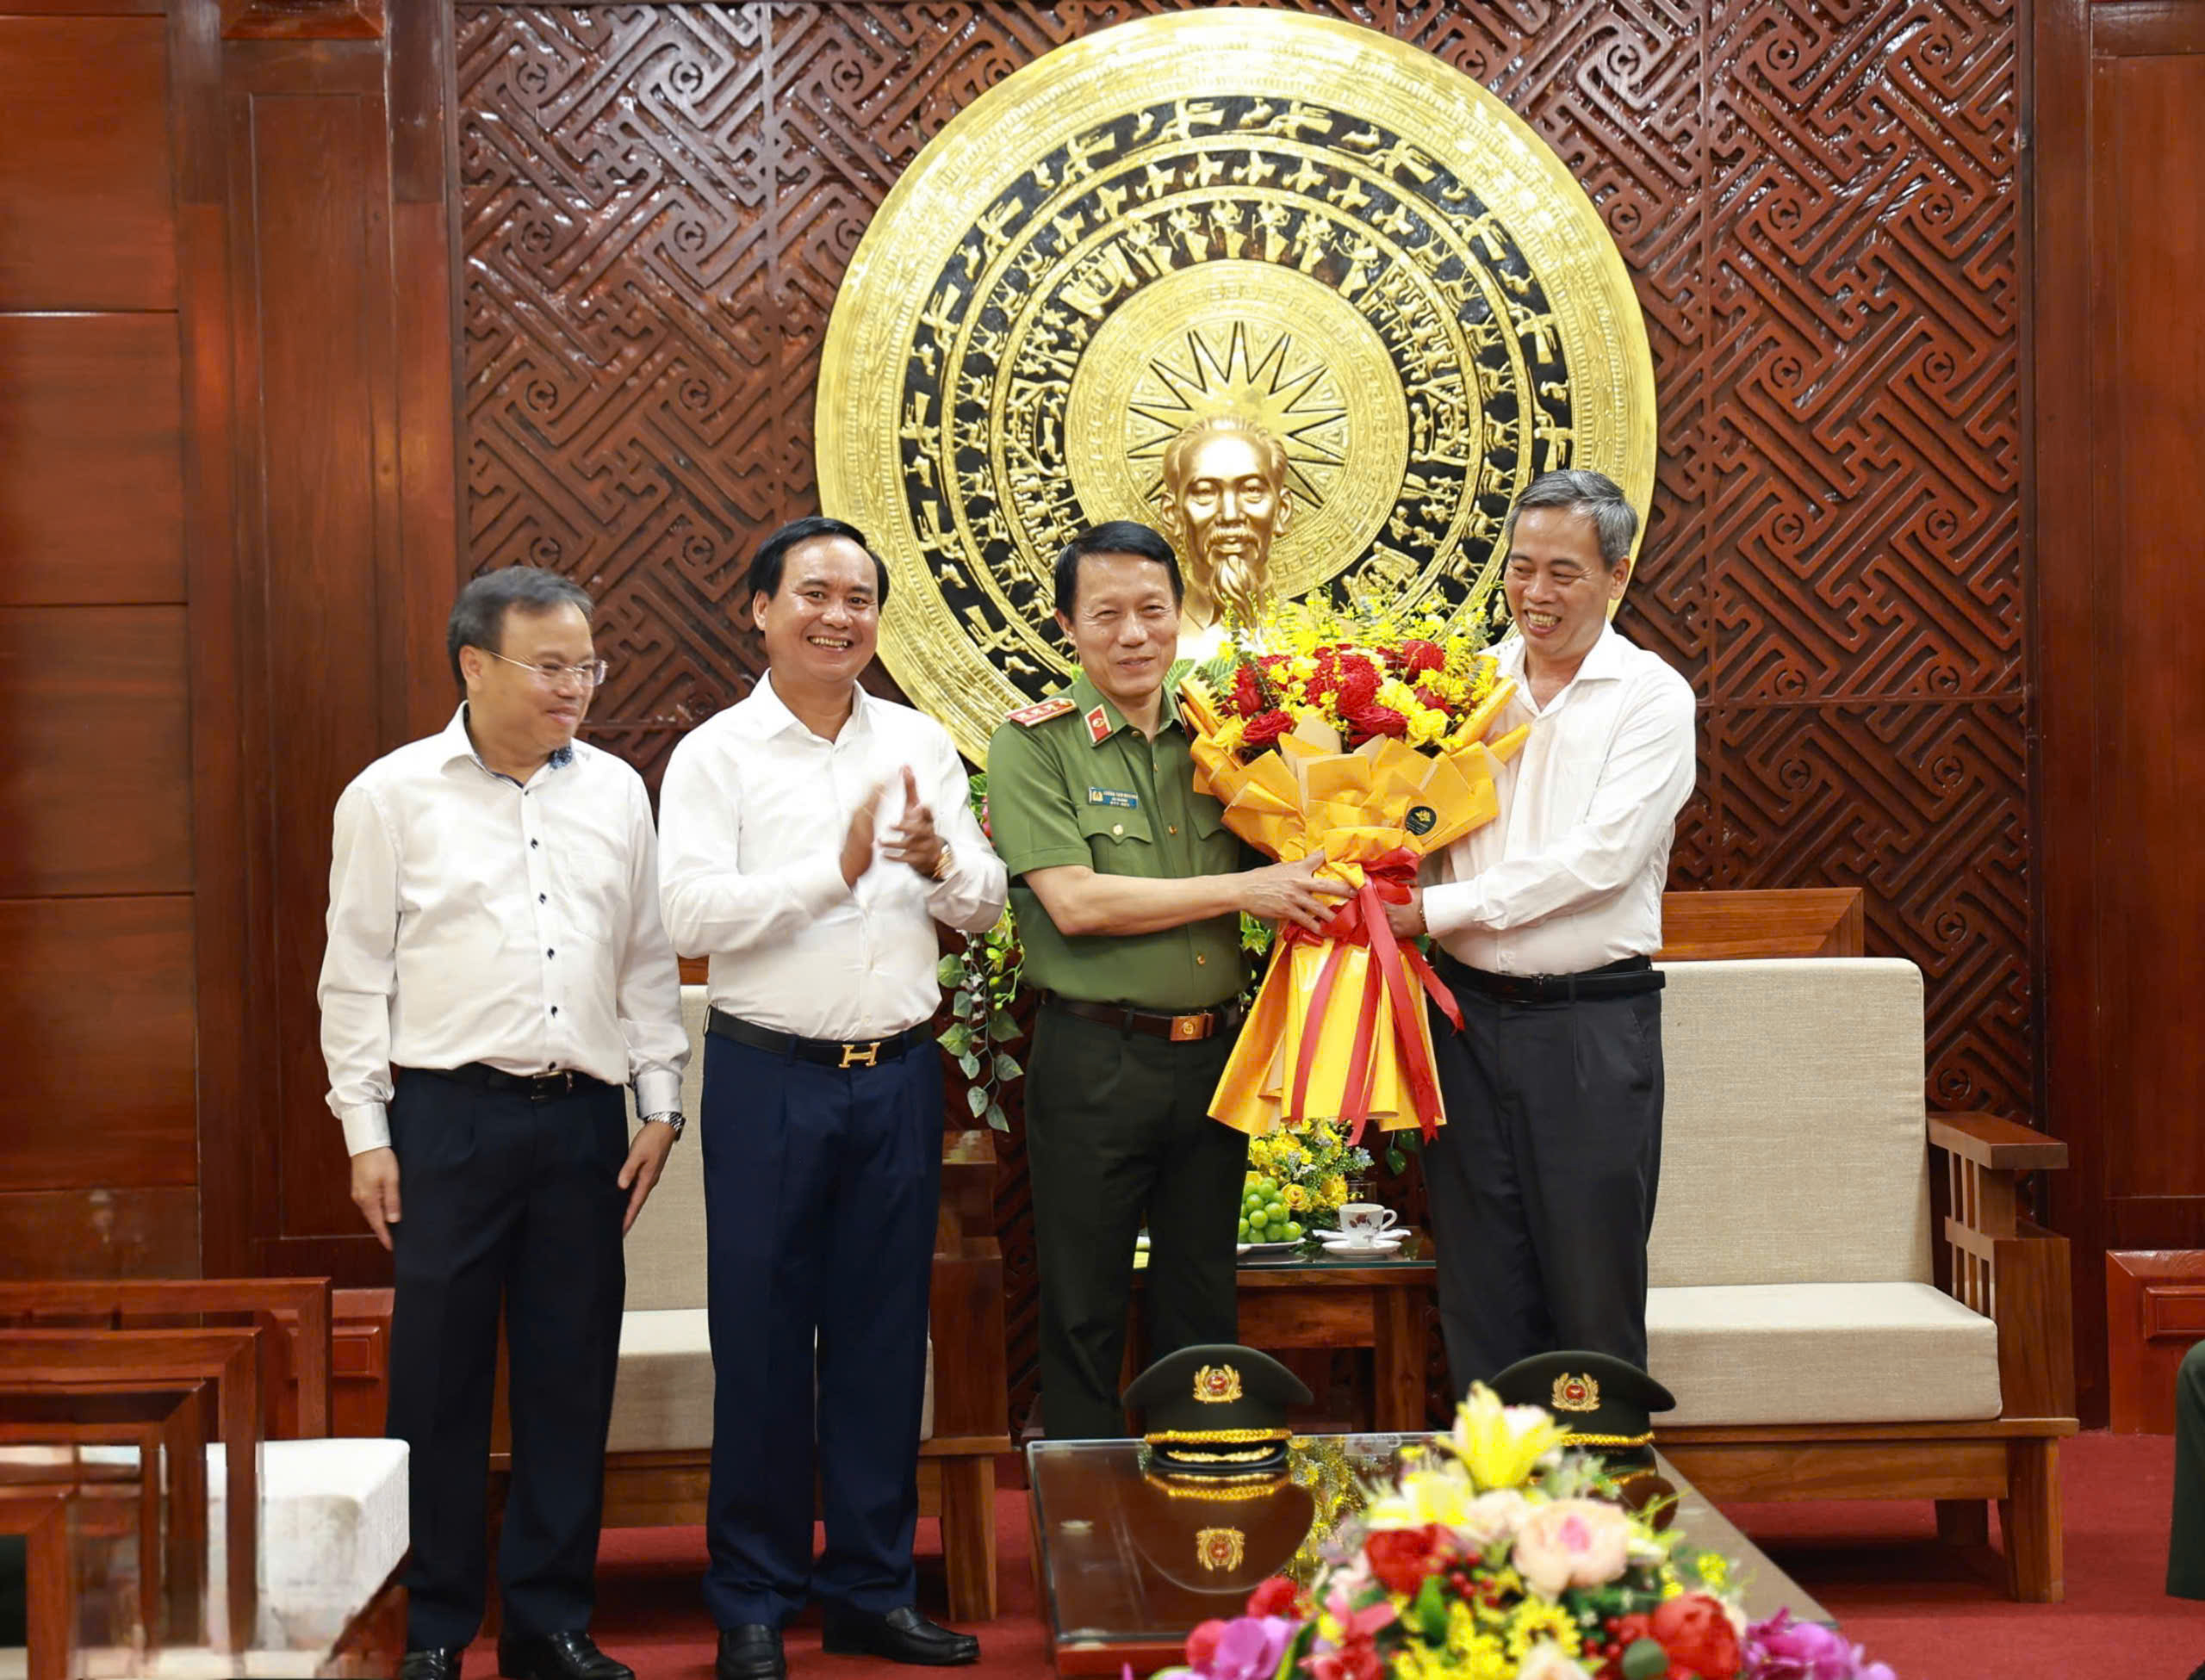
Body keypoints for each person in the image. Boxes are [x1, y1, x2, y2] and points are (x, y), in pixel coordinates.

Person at [318, 567, 689, 1680]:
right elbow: (353, 979)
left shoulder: (619, 789)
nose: (576, 687)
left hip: (583, 1121)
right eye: (552, 665)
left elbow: (646, 959)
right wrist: (366, 1133)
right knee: (436, 1380)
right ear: (475, 663)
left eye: (588, 665)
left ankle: (549, 1623)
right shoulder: (389, 794)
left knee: (570, 1375)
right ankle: (431, 1627)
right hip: (448, 1119)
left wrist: (661, 1101)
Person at [657, 517, 1005, 1680]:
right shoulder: (716, 755)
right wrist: (835, 872)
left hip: (899, 1076)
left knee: (874, 1344)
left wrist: (937, 861)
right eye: (814, 592)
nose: (839, 615)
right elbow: (690, 918)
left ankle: (869, 1587)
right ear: (760, 607)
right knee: (760, 1347)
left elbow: (988, 904)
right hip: (770, 1079)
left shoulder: (919, 740)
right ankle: (752, 1599)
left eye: (860, 597)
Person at [984, 520, 1345, 1442]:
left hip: (1213, 1060)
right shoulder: (1036, 745)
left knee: (1201, 1303)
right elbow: (1075, 902)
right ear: (1067, 624)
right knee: (1082, 1309)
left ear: (1182, 616)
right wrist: (1245, 889)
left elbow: (1308, 844)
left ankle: (1201, 1509)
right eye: (1106, 614)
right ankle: (1083, 1540)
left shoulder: (1223, 739)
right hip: (1094, 1058)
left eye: (1153, 609)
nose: (1134, 633)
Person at [1383, 468, 1696, 1396]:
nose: (1535, 594)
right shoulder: (1460, 691)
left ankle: (1597, 1531)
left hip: (1588, 1029)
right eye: (1520, 570)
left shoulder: (1650, 697)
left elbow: (1599, 860)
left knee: (1591, 1290)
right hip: (1465, 1021)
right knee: (1481, 1288)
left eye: (1563, 572)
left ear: (1617, 576)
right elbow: (1409, 826)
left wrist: (1430, 912)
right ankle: (1498, 1527)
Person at [1153, 415, 1295, 635]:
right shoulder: (1142, 651)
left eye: (1252, 490)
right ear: (1172, 514)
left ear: (1282, 511)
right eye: (1204, 492)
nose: (1230, 515)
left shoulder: (1343, 647)